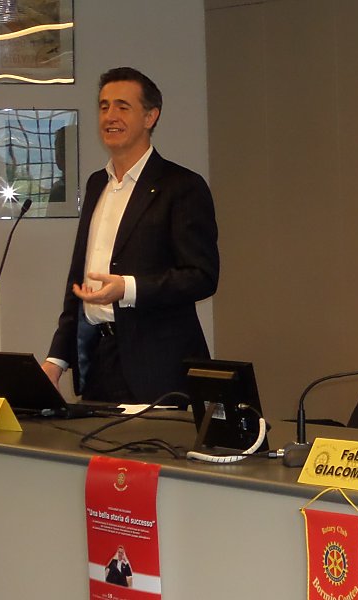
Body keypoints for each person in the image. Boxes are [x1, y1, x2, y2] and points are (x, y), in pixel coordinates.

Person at [42, 67, 219, 404]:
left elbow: (202, 277)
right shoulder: (97, 184)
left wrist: (128, 288)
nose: (110, 116)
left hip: (158, 368)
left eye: (123, 107)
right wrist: (57, 360)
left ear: (150, 116)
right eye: (104, 106)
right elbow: (78, 281)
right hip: (97, 361)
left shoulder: (181, 186)